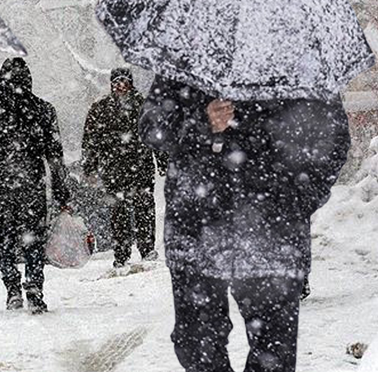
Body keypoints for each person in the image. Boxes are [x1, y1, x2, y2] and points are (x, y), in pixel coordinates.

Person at [138, 75, 350, 372]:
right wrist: (202, 121)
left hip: (273, 234)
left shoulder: (297, 60)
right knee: (196, 345)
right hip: (196, 229)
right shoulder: (188, 57)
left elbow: (335, 138)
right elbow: (151, 128)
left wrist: (297, 201)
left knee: (274, 353)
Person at [0, 57, 69, 314]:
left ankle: (12, 289)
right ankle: (34, 286)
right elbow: (54, 156)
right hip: (32, 185)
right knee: (34, 240)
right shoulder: (43, 109)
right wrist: (62, 192)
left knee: (4, 239)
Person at [81, 68, 166, 268]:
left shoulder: (144, 106)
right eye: (116, 82)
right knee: (118, 212)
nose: (120, 85)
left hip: (140, 165)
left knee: (144, 208)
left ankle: (147, 249)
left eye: (124, 81)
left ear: (130, 83)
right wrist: (90, 166)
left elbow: (157, 136)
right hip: (113, 168)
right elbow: (90, 140)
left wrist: (162, 161)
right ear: (111, 84)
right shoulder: (101, 108)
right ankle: (121, 253)